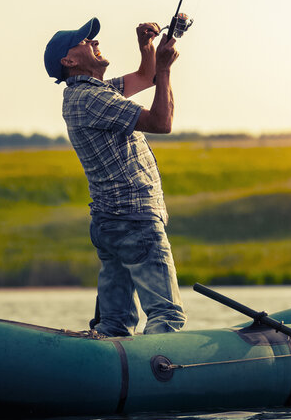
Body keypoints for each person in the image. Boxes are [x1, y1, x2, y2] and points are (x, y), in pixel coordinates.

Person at [43, 17, 187, 337]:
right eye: (84, 42)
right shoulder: (92, 99)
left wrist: (147, 49)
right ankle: (159, 379)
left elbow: (144, 77)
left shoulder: (93, 92)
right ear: (69, 61)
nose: (94, 42)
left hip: (112, 221)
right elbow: (162, 122)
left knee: (115, 324)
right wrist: (165, 69)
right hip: (134, 218)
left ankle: (115, 370)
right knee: (166, 314)